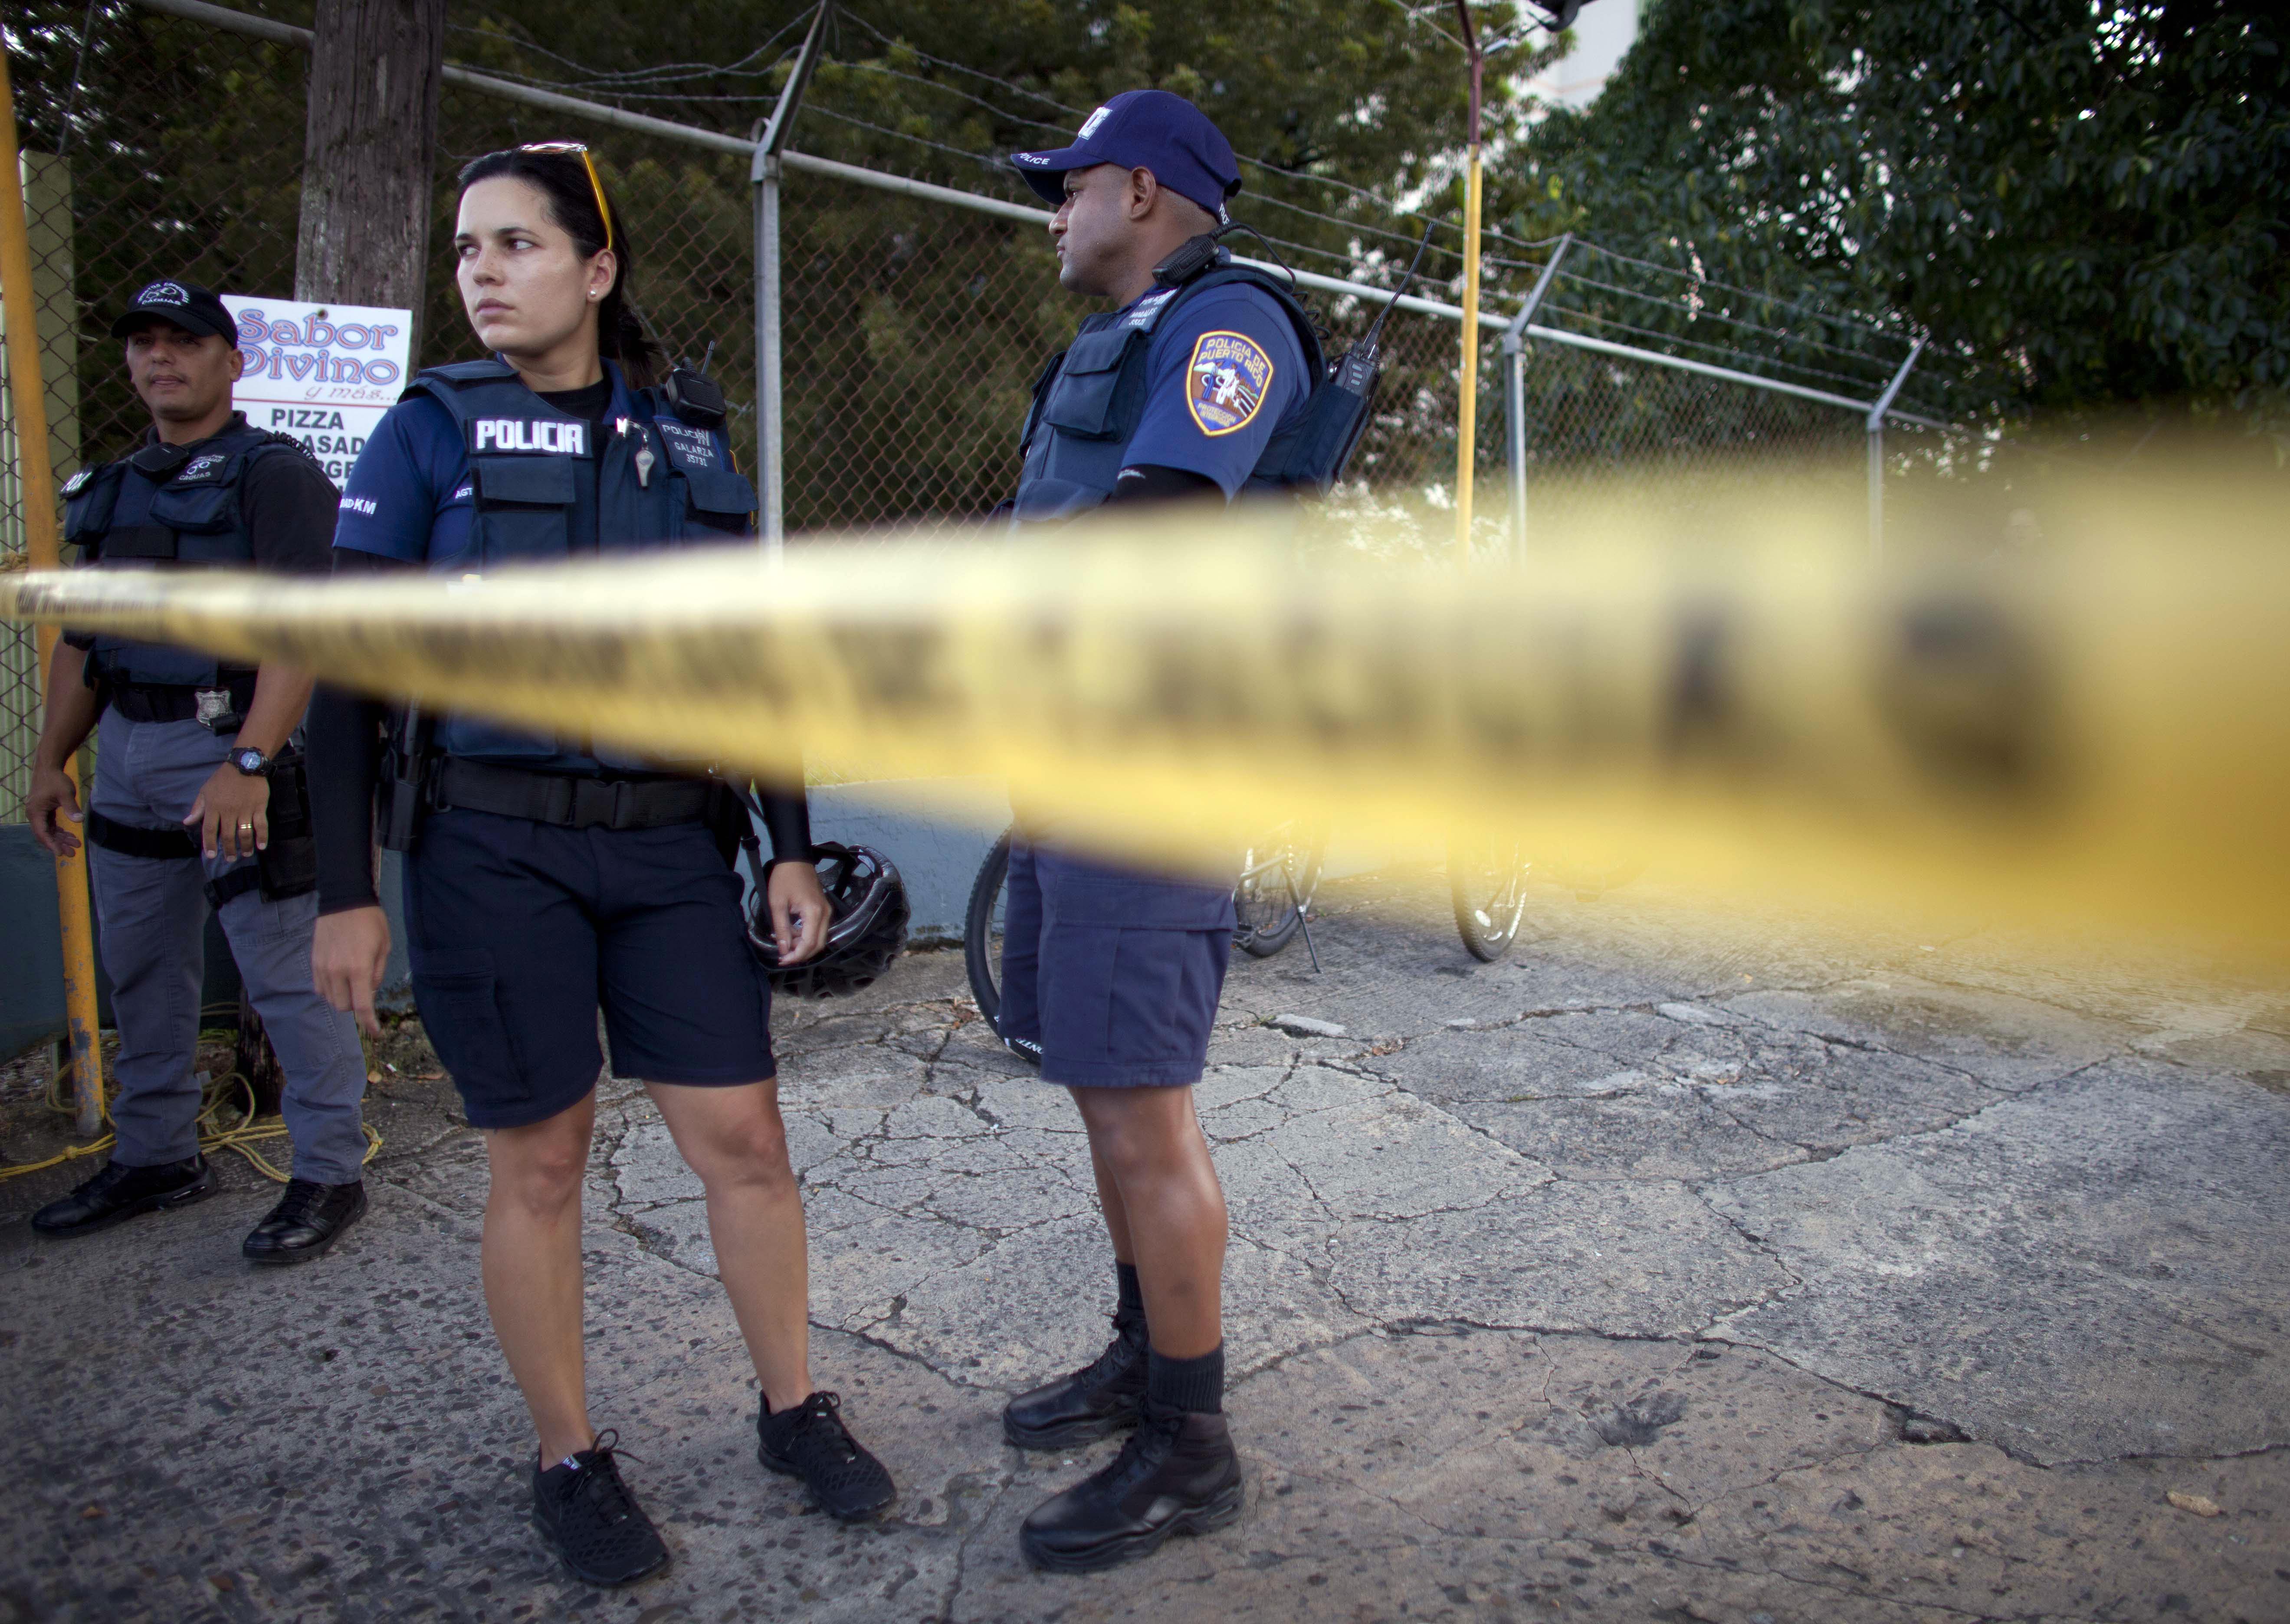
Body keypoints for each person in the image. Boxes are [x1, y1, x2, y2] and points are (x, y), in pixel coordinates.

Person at [303, 143, 894, 1588]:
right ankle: (569, 1455)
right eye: (467, 251)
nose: (484, 274)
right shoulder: (428, 430)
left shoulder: (689, 443)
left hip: (670, 850)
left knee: (744, 1142)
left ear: (596, 267)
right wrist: (345, 889)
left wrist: (790, 845)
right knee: (542, 1159)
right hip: (490, 848)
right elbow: (341, 680)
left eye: (515, 245)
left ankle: (790, 1407)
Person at [994, 90, 1322, 1572]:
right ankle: (1144, 1352)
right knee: (1095, 1084)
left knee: (1141, 1103)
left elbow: (1161, 515)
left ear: (1139, 188)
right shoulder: (1119, 337)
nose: (1050, 207)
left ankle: (1191, 1441)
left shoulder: (1230, 324)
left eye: (1066, 184)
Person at [26, 279, 371, 1264]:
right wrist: (53, 758)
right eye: (142, 342)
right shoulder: (113, 487)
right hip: (127, 748)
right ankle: (158, 1156)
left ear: (232, 361)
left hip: (228, 741)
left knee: (288, 974)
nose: (159, 358)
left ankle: (330, 1173)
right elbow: (83, 642)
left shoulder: (275, 475)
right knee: (141, 967)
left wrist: (251, 760)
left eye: (183, 341)